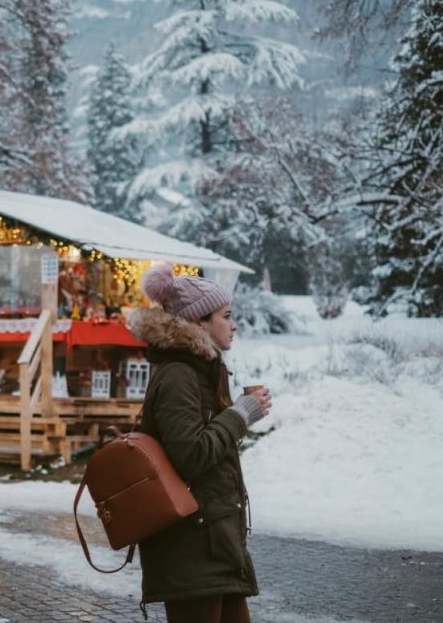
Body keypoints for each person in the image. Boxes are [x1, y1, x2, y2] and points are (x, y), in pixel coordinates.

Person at [128, 264, 272, 623]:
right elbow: (191, 455)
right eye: (227, 316)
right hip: (192, 545)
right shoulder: (179, 375)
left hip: (213, 541)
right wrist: (240, 415)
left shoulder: (200, 371)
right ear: (199, 323)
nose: (234, 324)